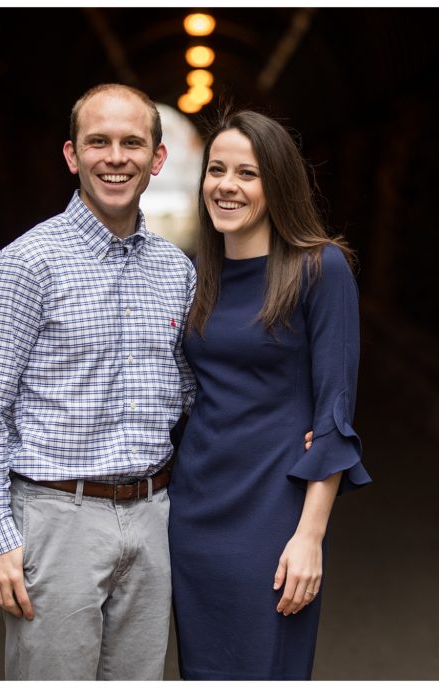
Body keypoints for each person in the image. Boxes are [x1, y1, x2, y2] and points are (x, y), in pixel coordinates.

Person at [0, 83, 194, 681]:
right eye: (99, 142)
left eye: (132, 142)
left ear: (156, 158)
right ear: (72, 155)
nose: (116, 157)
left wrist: (292, 424)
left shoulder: (178, 271)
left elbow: (191, 393)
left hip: (153, 515)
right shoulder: (25, 264)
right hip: (56, 518)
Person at [168, 110, 372, 680]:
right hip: (195, 508)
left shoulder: (320, 268)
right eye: (216, 170)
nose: (226, 186)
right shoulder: (198, 273)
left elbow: (335, 414)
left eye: (247, 174)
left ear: (277, 183)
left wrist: (310, 537)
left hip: (271, 513)